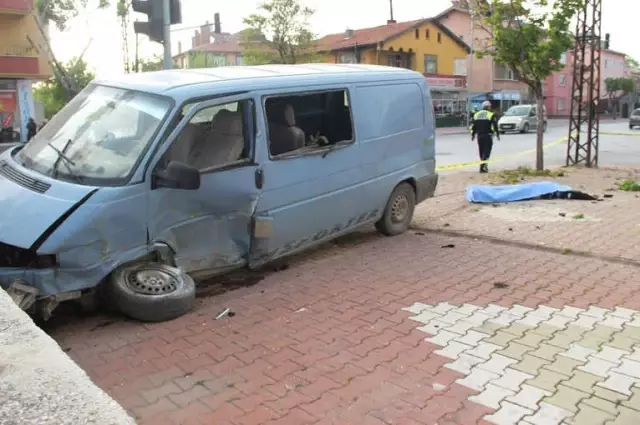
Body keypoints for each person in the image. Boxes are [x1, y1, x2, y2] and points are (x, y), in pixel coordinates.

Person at [471, 100, 499, 173]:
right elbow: (495, 125)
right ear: (487, 107)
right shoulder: (490, 114)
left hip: (479, 136)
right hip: (487, 135)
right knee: (486, 152)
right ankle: (483, 167)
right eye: (489, 106)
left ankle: (483, 165)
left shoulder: (476, 114)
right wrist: (497, 134)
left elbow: (473, 126)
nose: (490, 107)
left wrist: (473, 135)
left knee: (481, 151)